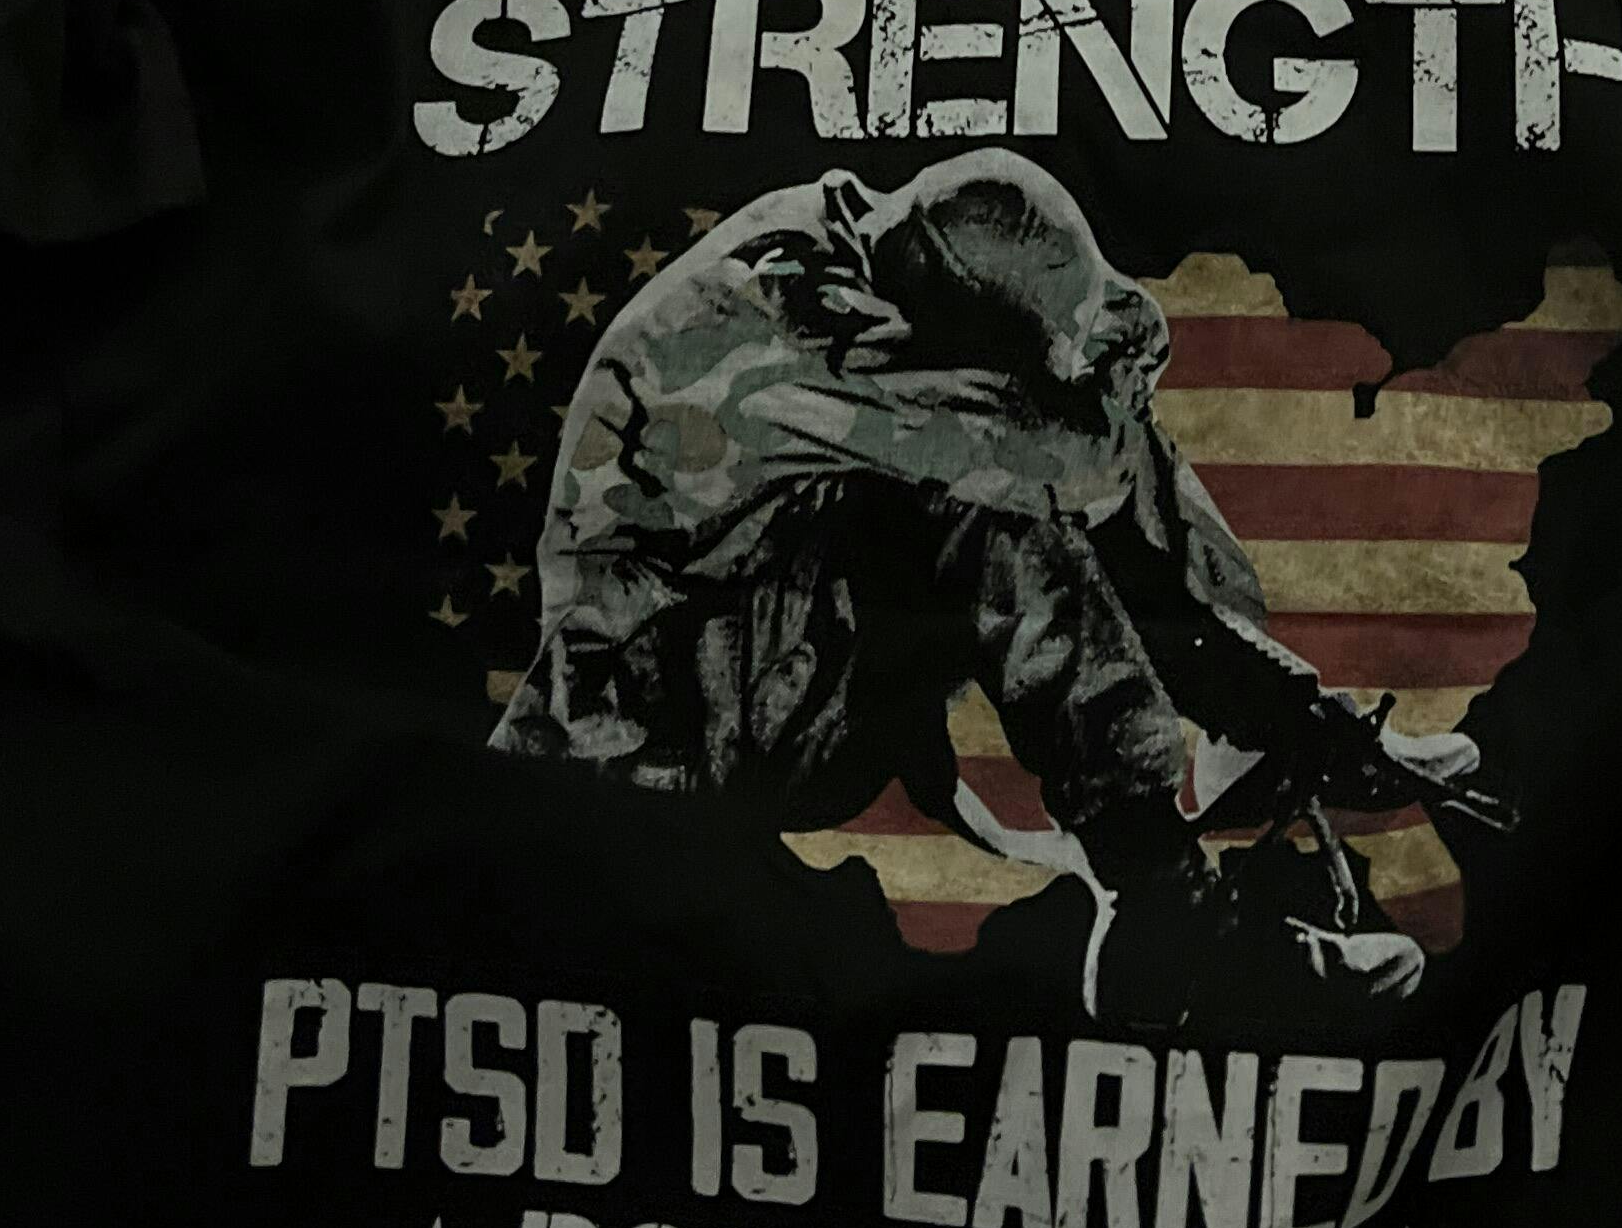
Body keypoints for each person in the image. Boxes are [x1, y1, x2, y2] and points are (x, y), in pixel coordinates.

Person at [487, 148, 1483, 1024]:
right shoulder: (764, 325)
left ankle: (1265, 719)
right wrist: (1104, 379)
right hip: (664, 758)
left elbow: (1070, 390)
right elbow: (1053, 462)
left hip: (781, 660)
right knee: (1000, 502)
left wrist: (1105, 344)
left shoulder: (882, 241)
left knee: (1057, 439)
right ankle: (1172, 918)